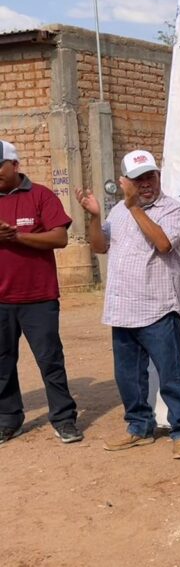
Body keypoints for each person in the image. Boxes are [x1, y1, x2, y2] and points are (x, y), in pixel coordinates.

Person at [76, 149, 180, 458]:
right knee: (128, 377)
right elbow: (99, 246)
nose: (146, 184)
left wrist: (133, 207)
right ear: (125, 181)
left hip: (157, 309)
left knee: (170, 375)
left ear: (158, 176)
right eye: (138, 179)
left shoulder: (172, 209)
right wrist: (94, 216)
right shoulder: (117, 211)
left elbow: (163, 243)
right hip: (122, 310)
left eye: (150, 176)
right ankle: (139, 428)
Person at [0, 140, 83, 445]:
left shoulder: (41, 195)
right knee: (2, 364)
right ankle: (8, 420)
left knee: (50, 361)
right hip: (0, 301)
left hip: (39, 298)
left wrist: (16, 237)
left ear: (15, 165)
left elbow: (60, 238)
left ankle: (63, 419)